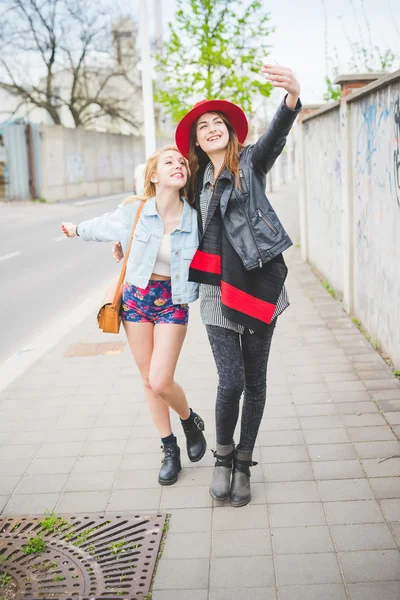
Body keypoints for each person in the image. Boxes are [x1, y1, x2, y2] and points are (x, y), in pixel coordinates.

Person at [173, 63, 302, 507]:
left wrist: (291, 97)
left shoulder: (250, 162)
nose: (210, 129)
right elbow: (167, 219)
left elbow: (275, 137)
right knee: (231, 381)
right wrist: (126, 246)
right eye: (202, 127)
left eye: (217, 123)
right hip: (214, 293)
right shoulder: (193, 182)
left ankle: (244, 463)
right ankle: (223, 455)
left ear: (230, 131)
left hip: (258, 281)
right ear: (196, 141)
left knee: (257, 380)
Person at [61, 145, 206, 486]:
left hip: (174, 299)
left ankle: (189, 420)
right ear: (154, 176)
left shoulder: (195, 216)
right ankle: (170, 449)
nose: (178, 165)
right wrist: (76, 228)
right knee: (146, 380)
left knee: (160, 379)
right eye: (168, 162)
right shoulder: (135, 210)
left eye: (182, 162)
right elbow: (106, 226)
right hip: (137, 298)